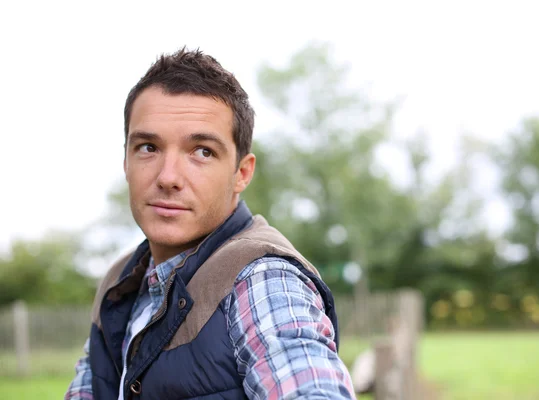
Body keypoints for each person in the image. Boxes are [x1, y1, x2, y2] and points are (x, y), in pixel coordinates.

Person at [64, 48, 355, 400]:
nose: (168, 177)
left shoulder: (262, 278)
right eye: (148, 147)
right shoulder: (121, 282)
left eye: (202, 151)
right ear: (126, 159)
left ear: (241, 173)